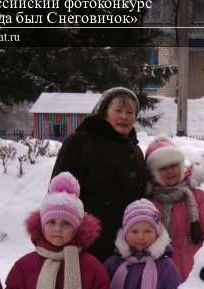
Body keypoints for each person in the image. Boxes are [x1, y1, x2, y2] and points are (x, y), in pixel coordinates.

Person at [51, 86, 150, 262]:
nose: (124, 117)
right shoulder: (81, 142)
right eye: (118, 110)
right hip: (86, 241)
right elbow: (60, 193)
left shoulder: (135, 150)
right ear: (104, 113)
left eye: (130, 112)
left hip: (125, 243)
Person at [146, 137, 204, 279]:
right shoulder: (150, 204)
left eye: (173, 165)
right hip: (163, 266)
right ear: (154, 174)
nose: (170, 171)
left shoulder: (197, 197)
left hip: (196, 262)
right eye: (163, 168)